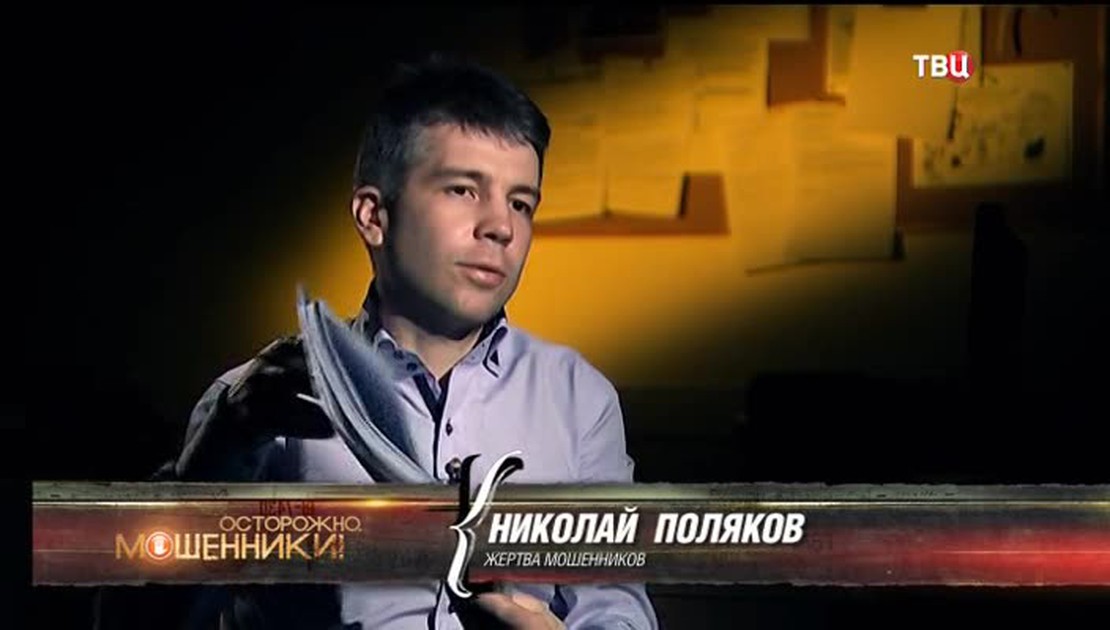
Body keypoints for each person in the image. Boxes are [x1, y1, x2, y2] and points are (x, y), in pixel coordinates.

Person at [107, 55, 658, 629]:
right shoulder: (255, 411)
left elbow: (616, 607)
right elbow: (140, 620)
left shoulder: (579, 400)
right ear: (373, 215)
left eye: (521, 202)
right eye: (463, 190)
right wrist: (216, 460)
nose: (502, 226)